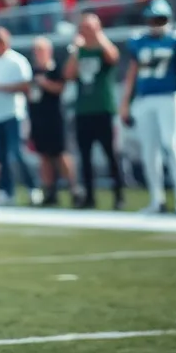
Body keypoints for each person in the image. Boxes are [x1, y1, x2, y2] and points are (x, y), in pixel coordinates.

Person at [120, 0, 176, 215]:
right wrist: (125, 102)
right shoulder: (138, 40)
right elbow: (132, 73)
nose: (156, 23)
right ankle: (157, 199)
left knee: (170, 144)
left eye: (160, 19)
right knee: (149, 150)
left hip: (168, 97)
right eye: (153, 19)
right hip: (144, 99)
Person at [64, 13, 125, 210]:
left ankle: (119, 195)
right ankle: (89, 196)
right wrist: (76, 49)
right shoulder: (79, 51)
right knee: (85, 157)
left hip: (103, 108)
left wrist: (98, 36)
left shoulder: (103, 48)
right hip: (83, 110)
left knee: (111, 154)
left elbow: (113, 57)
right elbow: (68, 74)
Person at [0, 28, 37, 206]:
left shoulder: (17, 61)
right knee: (1, 155)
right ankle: (7, 190)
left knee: (15, 153)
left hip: (13, 114)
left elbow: (26, 86)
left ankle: (32, 187)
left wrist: (0, 87)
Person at [28, 37, 77, 207]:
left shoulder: (55, 69)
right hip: (37, 118)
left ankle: (74, 189)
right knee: (44, 156)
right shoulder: (32, 72)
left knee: (61, 154)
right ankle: (50, 191)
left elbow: (60, 88)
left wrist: (44, 83)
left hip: (55, 118)